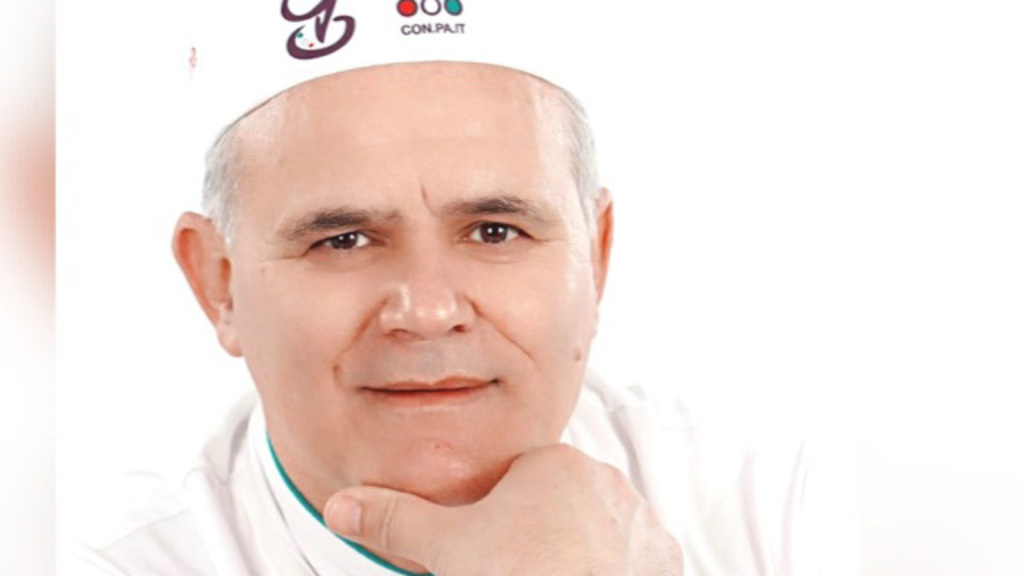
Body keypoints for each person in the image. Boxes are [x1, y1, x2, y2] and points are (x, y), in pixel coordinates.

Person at [75, 4, 838, 575]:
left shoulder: (787, 507)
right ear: (219, 284)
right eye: (343, 240)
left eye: (495, 231)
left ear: (596, 256)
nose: (429, 310)